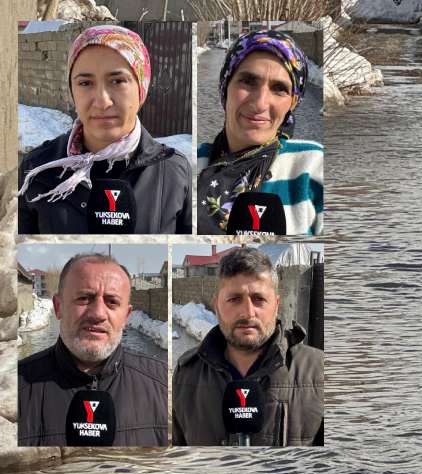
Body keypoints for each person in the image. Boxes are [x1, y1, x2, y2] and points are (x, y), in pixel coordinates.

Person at [18, 25, 191, 234]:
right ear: (72, 90)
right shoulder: (37, 168)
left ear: (141, 88)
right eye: (85, 83)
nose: (102, 101)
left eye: (117, 81)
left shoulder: (173, 172)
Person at [172, 246, 324, 446]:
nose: (247, 312)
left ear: (276, 304)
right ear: (217, 304)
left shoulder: (319, 371)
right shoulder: (186, 374)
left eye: (259, 299)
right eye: (234, 299)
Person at [18, 253, 169, 446]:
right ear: (58, 307)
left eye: (112, 302)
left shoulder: (163, 385)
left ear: (126, 316)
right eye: (84, 298)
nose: (98, 313)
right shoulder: (15, 388)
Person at [196, 31, 324, 236]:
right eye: (248, 81)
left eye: (279, 88)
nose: (260, 103)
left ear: (292, 102)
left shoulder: (313, 167)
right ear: (225, 87)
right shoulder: (189, 165)